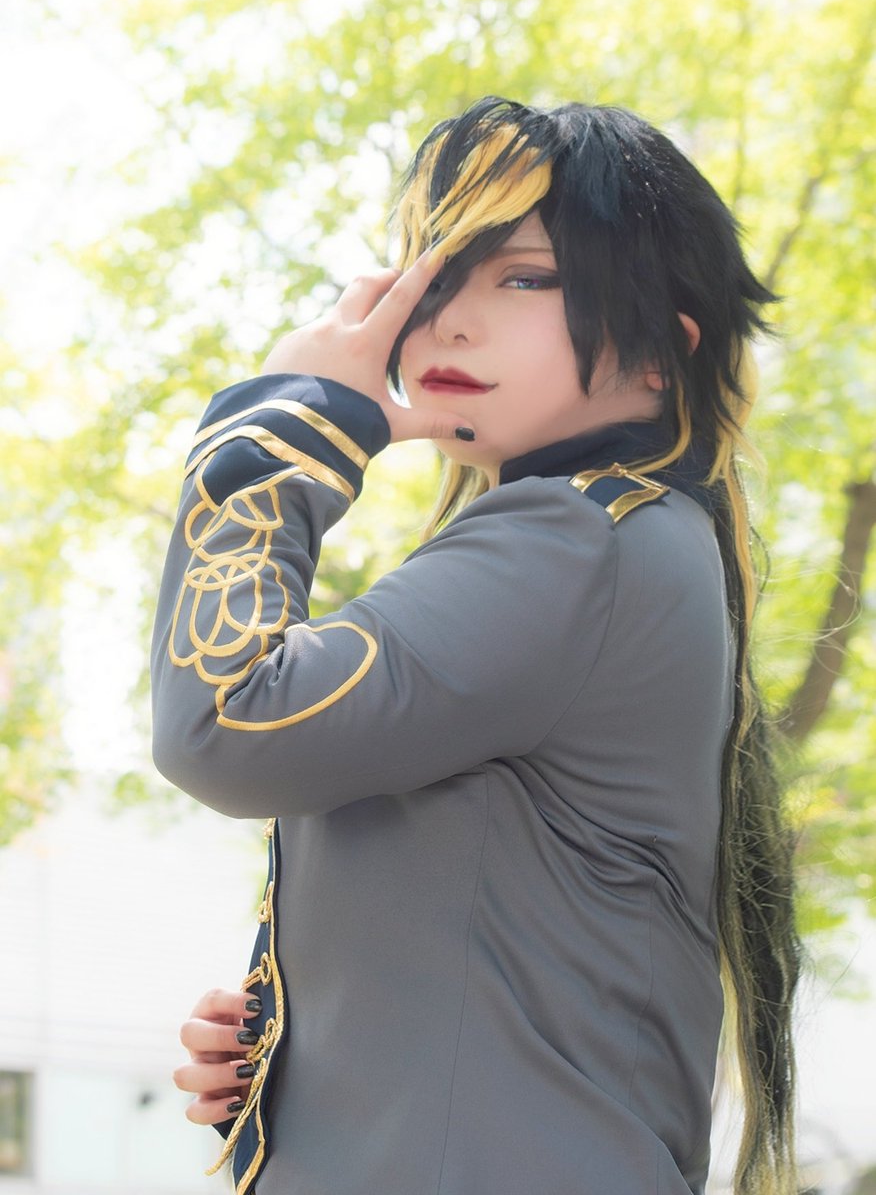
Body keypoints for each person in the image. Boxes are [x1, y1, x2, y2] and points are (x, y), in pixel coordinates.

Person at [152, 96, 801, 1195]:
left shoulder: (579, 541)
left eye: (526, 278)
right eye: (437, 271)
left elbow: (224, 720)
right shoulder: (614, 542)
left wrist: (278, 428)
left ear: (661, 353)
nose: (448, 317)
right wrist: (310, 1047)